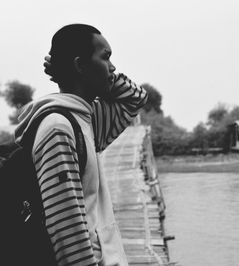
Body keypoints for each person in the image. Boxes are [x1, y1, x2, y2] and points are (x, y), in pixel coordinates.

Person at [14, 24, 148, 266]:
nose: (113, 67)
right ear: (80, 65)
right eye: (105, 57)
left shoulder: (86, 118)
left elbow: (135, 99)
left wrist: (67, 70)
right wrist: (67, 70)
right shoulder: (58, 127)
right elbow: (67, 230)